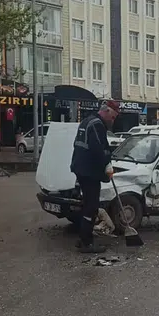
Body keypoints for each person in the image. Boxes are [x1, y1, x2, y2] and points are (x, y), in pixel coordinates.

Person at [70, 100, 120, 253]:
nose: (113, 121)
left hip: (80, 168)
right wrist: (107, 164)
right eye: (112, 117)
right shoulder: (97, 125)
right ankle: (87, 242)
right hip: (89, 171)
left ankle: (82, 239)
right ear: (105, 111)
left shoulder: (86, 121)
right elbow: (99, 149)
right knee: (91, 207)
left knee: (87, 205)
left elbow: (78, 145)